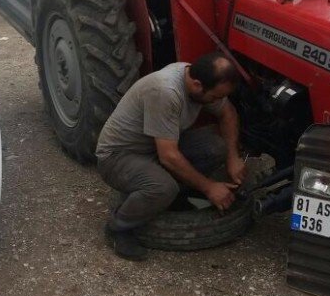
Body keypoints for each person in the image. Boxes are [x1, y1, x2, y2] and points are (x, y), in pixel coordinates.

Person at [96, 52, 246, 260]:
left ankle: (173, 196)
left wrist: (233, 157)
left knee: (216, 147)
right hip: (118, 156)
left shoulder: (197, 77)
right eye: (215, 97)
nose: (217, 101)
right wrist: (209, 187)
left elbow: (227, 113)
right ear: (196, 85)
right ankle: (118, 228)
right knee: (163, 187)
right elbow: (168, 156)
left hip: (155, 147)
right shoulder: (166, 91)